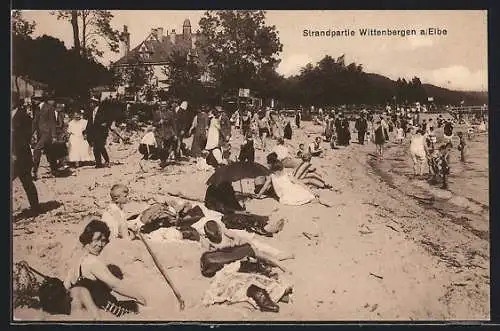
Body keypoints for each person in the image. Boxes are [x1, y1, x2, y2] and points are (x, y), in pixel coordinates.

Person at [64, 219, 146, 319]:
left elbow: (67, 285)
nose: (100, 245)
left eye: (103, 241)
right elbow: (115, 285)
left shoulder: (77, 258)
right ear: (88, 238)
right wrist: (139, 296)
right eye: (97, 239)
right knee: (142, 308)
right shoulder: (92, 262)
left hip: (91, 308)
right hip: (107, 309)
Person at [12, 95, 41, 216]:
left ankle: (35, 208)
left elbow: (27, 135)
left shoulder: (23, 116)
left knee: (27, 182)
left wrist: (15, 152)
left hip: (21, 155)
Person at [31, 94, 59, 179]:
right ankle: (54, 170)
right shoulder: (37, 109)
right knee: (50, 152)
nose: (33, 101)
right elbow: (35, 122)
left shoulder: (49, 108)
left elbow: (52, 123)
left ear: (40, 99)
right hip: (40, 134)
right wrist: (30, 133)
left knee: (37, 149)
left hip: (47, 134)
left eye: (35, 99)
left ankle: (34, 172)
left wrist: (54, 136)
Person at [86, 97, 111, 168]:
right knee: (97, 147)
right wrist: (86, 131)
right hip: (94, 132)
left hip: (101, 131)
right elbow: (89, 122)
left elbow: (109, 119)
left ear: (95, 103)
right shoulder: (91, 112)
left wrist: (106, 124)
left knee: (99, 147)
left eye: (91, 103)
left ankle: (105, 161)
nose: (90, 104)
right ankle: (99, 163)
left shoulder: (102, 110)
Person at [154, 103, 177, 168]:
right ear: (160, 106)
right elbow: (153, 123)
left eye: (165, 105)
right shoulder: (157, 113)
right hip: (159, 133)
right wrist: (158, 123)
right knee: (160, 147)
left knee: (166, 148)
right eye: (162, 105)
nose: (163, 106)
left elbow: (173, 124)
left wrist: (175, 134)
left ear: (166, 106)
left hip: (167, 133)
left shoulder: (170, 113)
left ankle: (164, 160)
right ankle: (162, 160)